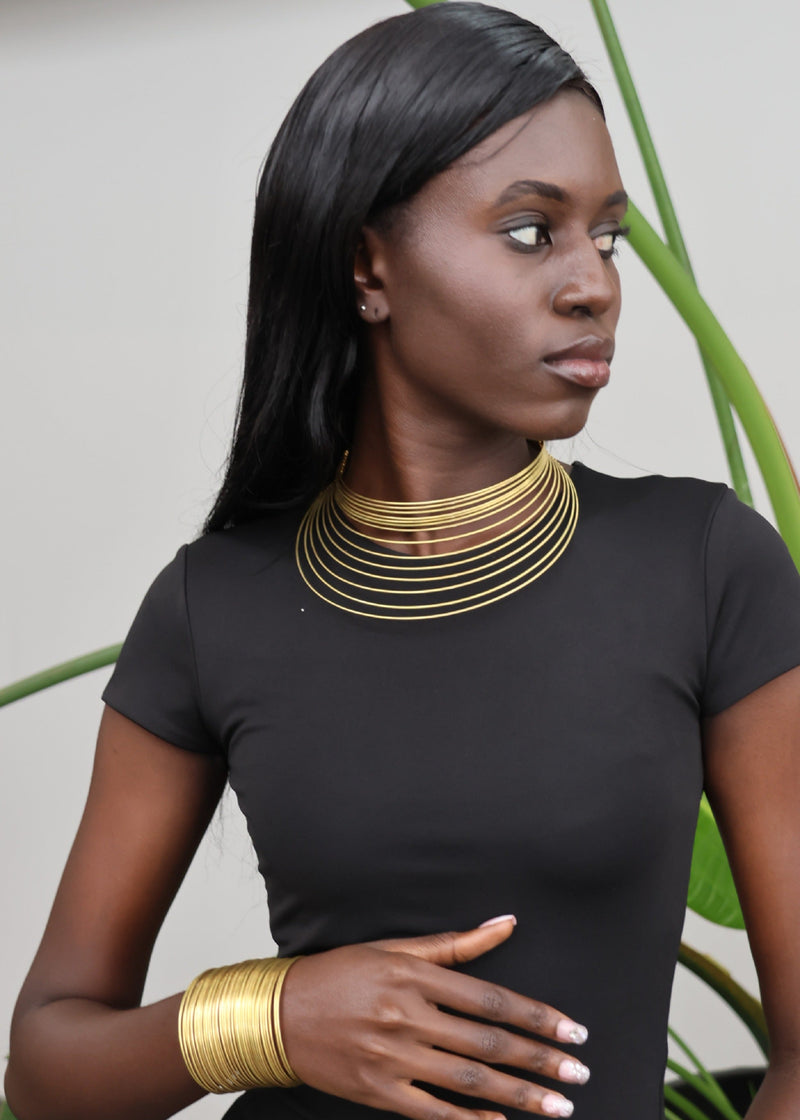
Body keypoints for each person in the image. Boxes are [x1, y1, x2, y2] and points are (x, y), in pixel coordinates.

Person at [6, 4, 800, 1119]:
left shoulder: (705, 565)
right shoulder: (210, 606)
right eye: (530, 230)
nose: (594, 283)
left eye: (605, 236)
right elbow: (45, 1071)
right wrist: (274, 1019)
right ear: (366, 266)